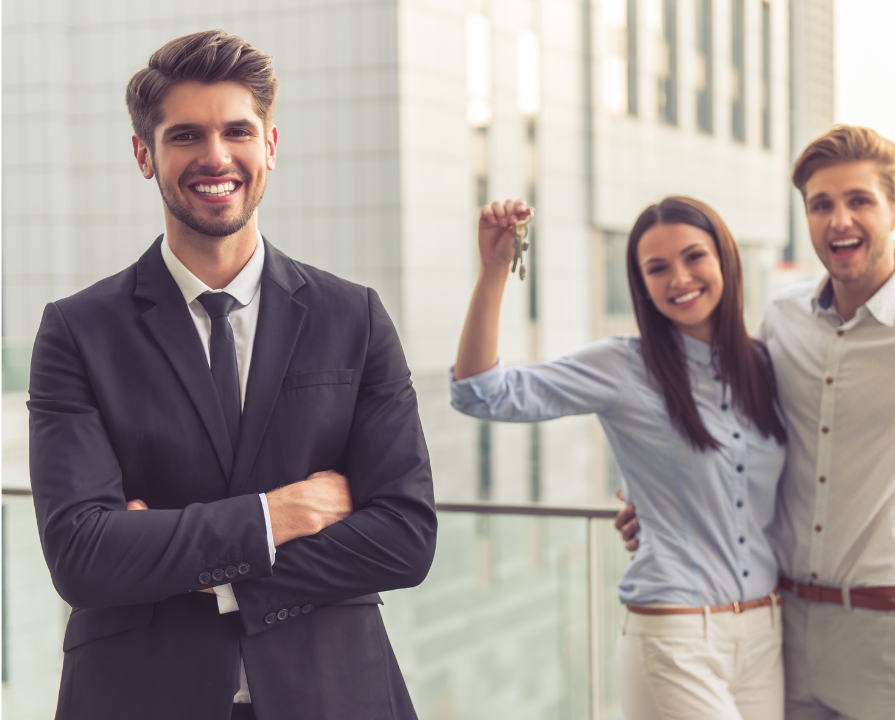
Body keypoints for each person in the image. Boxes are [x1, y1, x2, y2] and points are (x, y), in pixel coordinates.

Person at [27, 30, 436, 720]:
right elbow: (82, 554)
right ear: (143, 155)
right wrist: (277, 516)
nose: (215, 157)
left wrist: (186, 563)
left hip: (333, 692)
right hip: (139, 696)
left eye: (237, 131)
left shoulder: (353, 317)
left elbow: (404, 536)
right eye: (185, 136)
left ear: (269, 146)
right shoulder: (78, 331)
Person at [616, 125, 895, 719]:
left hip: (887, 632)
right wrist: (657, 496)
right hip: (781, 624)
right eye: (821, 205)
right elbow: (732, 426)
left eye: (859, 200)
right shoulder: (783, 316)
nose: (840, 220)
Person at [451, 196, 790, 719]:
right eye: (657, 268)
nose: (679, 278)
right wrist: (495, 270)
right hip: (675, 636)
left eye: (693, 257)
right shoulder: (622, 365)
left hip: (765, 634)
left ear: (725, 259)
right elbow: (480, 392)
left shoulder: (765, 366)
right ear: (642, 285)